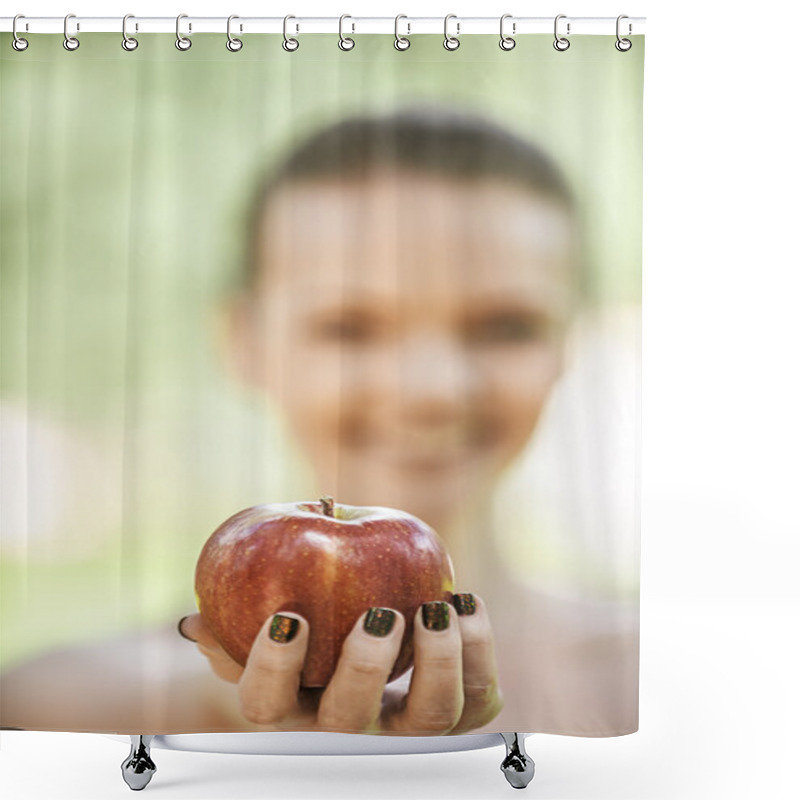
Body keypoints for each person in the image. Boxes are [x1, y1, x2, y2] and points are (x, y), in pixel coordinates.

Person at [0, 106, 638, 737]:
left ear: (566, 345)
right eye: (349, 328)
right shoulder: (53, 714)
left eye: (506, 327)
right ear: (244, 341)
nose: (432, 390)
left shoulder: (663, 689)